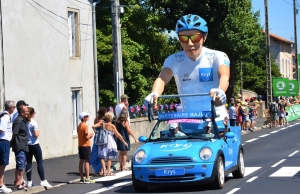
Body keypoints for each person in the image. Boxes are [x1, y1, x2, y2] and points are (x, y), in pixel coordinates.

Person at [144, 14, 230, 127]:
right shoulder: (174, 59)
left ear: (205, 37)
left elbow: (224, 76)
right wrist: (154, 93)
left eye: (195, 38)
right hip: (189, 119)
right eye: (183, 38)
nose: (189, 44)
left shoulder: (217, 56)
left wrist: (221, 90)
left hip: (216, 117)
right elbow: (162, 78)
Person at [93, 112, 128, 176]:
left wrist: (95, 131)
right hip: (109, 141)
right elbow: (118, 135)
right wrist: (124, 142)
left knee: (102, 156)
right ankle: (108, 171)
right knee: (109, 157)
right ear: (111, 118)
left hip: (102, 140)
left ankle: (104, 171)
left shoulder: (102, 124)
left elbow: (93, 126)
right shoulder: (112, 126)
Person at [25, 107, 52, 188]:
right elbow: (36, 134)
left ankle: (29, 181)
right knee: (39, 162)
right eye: (34, 113)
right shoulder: (34, 123)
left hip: (27, 144)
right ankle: (43, 180)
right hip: (35, 144)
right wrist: (39, 131)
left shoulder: (24, 122)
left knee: (28, 162)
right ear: (32, 114)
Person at [11, 105, 29, 190]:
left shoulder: (23, 120)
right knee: (20, 164)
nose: (27, 112)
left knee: (22, 164)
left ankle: (20, 181)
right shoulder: (18, 120)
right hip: (19, 145)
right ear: (21, 112)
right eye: (26, 111)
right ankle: (17, 182)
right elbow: (14, 133)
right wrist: (11, 143)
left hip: (24, 145)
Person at [0, 101, 15, 193]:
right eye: (14, 107)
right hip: (3, 141)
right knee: (2, 164)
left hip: (3, 141)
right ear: (10, 107)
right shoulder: (5, 117)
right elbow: (1, 129)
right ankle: (1, 185)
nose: (14, 108)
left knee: (2, 164)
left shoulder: (2, 114)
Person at [77, 112, 95, 184]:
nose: (88, 117)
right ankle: (87, 178)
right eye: (87, 116)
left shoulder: (79, 125)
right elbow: (86, 137)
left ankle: (82, 178)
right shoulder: (85, 126)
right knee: (87, 161)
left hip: (80, 145)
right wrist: (91, 134)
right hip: (86, 145)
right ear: (83, 118)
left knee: (81, 161)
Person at [90, 107, 107, 176]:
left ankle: (99, 169)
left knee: (95, 152)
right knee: (101, 153)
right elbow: (94, 126)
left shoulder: (96, 119)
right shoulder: (102, 121)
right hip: (101, 138)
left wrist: (96, 132)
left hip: (96, 137)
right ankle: (100, 170)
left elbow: (94, 128)